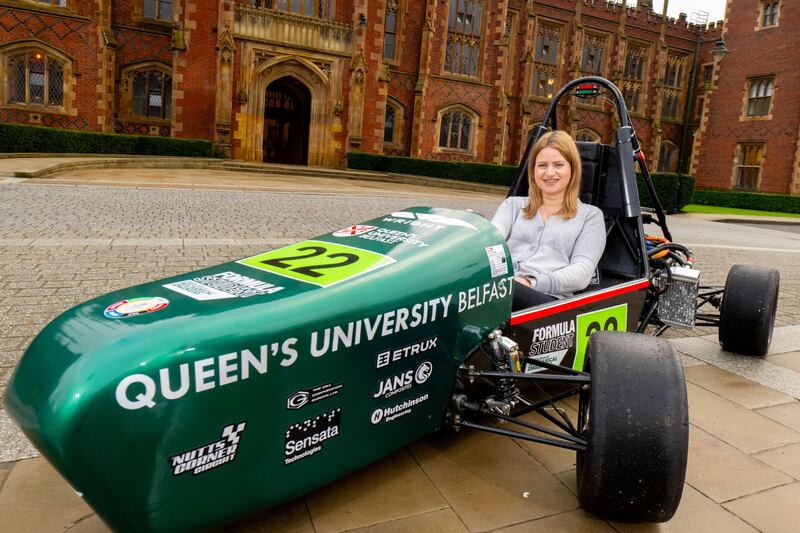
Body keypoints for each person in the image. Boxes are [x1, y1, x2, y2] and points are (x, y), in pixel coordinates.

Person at [491, 130, 606, 310]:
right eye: (542, 165)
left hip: (546, 300)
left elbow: (581, 273)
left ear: (572, 169)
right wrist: (476, 232)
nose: (549, 173)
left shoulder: (590, 216)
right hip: (499, 289)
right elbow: (492, 239)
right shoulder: (512, 206)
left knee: (506, 290)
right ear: (533, 170)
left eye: (558, 165)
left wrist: (531, 282)